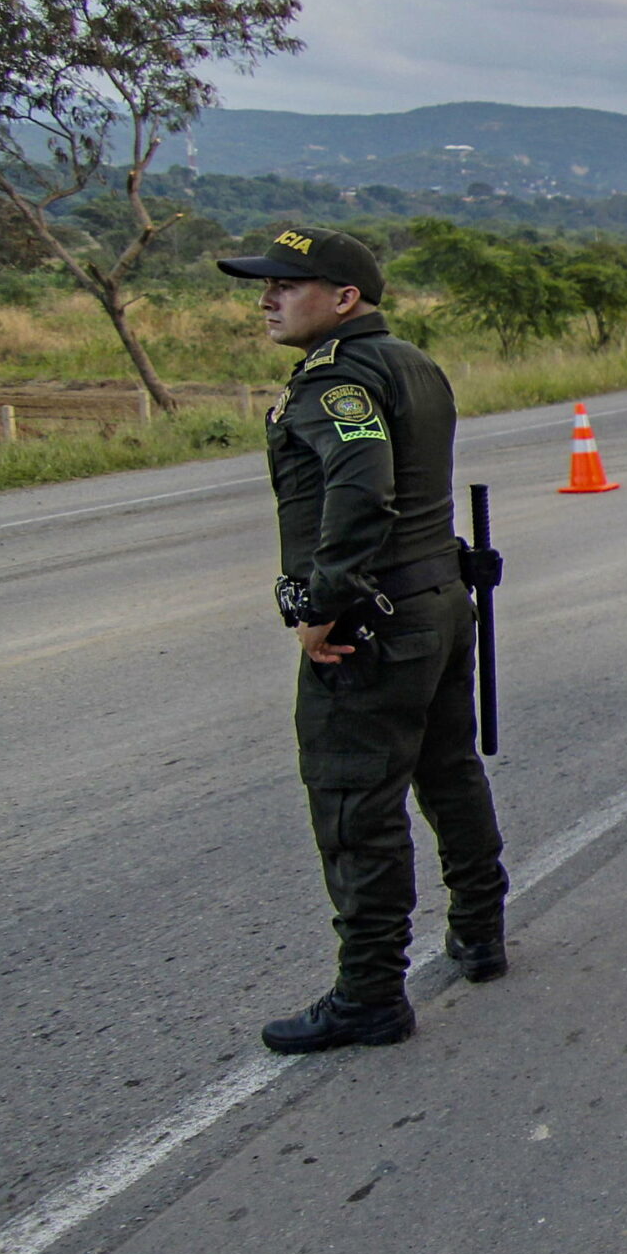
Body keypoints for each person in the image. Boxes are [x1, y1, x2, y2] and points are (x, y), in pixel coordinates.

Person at [222, 225, 509, 1053]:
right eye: (264, 284)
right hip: (439, 599)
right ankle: (480, 929)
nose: (267, 298)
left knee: (356, 802)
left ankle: (371, 992)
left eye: (287, 284)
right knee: (449, 770)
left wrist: (321, 601)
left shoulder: (336, 380)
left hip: (374, 619)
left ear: (345, 297)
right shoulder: (413, 362)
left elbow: (361, 488)